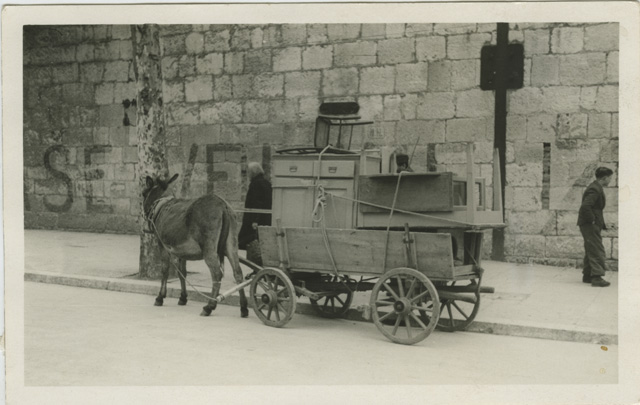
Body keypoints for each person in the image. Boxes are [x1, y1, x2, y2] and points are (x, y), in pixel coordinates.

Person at [577, 166, 614, 287]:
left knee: (591, 248)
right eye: (610, 178)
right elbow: (585, 206)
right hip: (590, 225)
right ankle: (597, 277)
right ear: (604, 178)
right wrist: (592, 220)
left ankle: (588, 275)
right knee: (597, 249)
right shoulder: (595, 189)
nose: (610, 180)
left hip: (590, 224)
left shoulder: (596, 187)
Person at [238, 162, 272, 271]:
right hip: (265, 219)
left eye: (248, 172)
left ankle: (256, 268)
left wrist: (255, 220)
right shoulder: (266, 183)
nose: (248, 174)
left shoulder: (256, 184)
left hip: (256, 220)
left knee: (252, 242)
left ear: (253, 172)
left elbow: (257, 203)